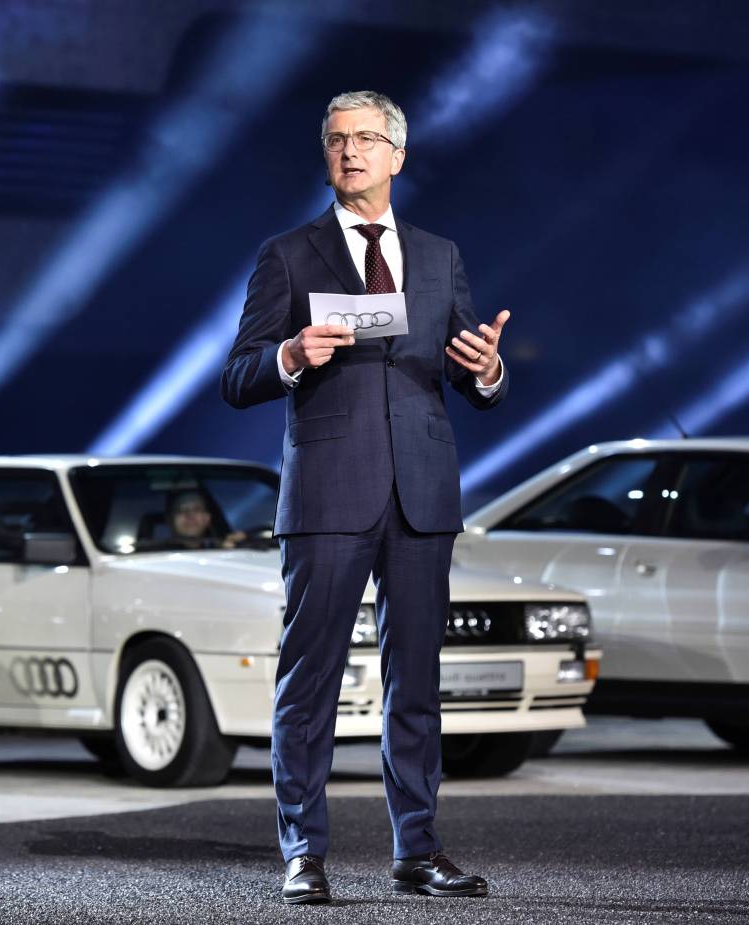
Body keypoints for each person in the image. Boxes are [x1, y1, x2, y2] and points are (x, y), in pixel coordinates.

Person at [221, 90, 509, 905]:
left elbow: (464, 368)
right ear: (327, 155)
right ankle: (303, 852)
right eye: (337, 139)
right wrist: (289, 353)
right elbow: (237, 375)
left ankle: (417, 850)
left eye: (367, 139)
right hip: (326, 494)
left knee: (414, 682)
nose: (351, 151)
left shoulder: (439, 254)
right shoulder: (289, 255)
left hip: (421, 494)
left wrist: (486, 368)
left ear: (399, 155)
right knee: (308, 680)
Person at [148, 490, 245, 550]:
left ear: (207, 518)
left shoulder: (223, 552)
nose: (190, 515)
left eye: (197, 509)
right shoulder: (149, 555)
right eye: (181, 510)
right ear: (170, 520)